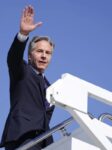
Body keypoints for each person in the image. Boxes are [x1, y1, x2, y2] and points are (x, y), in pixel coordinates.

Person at [0, 5, 55, 150]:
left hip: (44, 142)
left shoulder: (52, 88)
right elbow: (13, 58)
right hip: (21, 137)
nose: (44, 55)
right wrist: (23, 34)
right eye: (39, 51)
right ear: (30, 56)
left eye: (48, 53)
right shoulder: (22, 71)